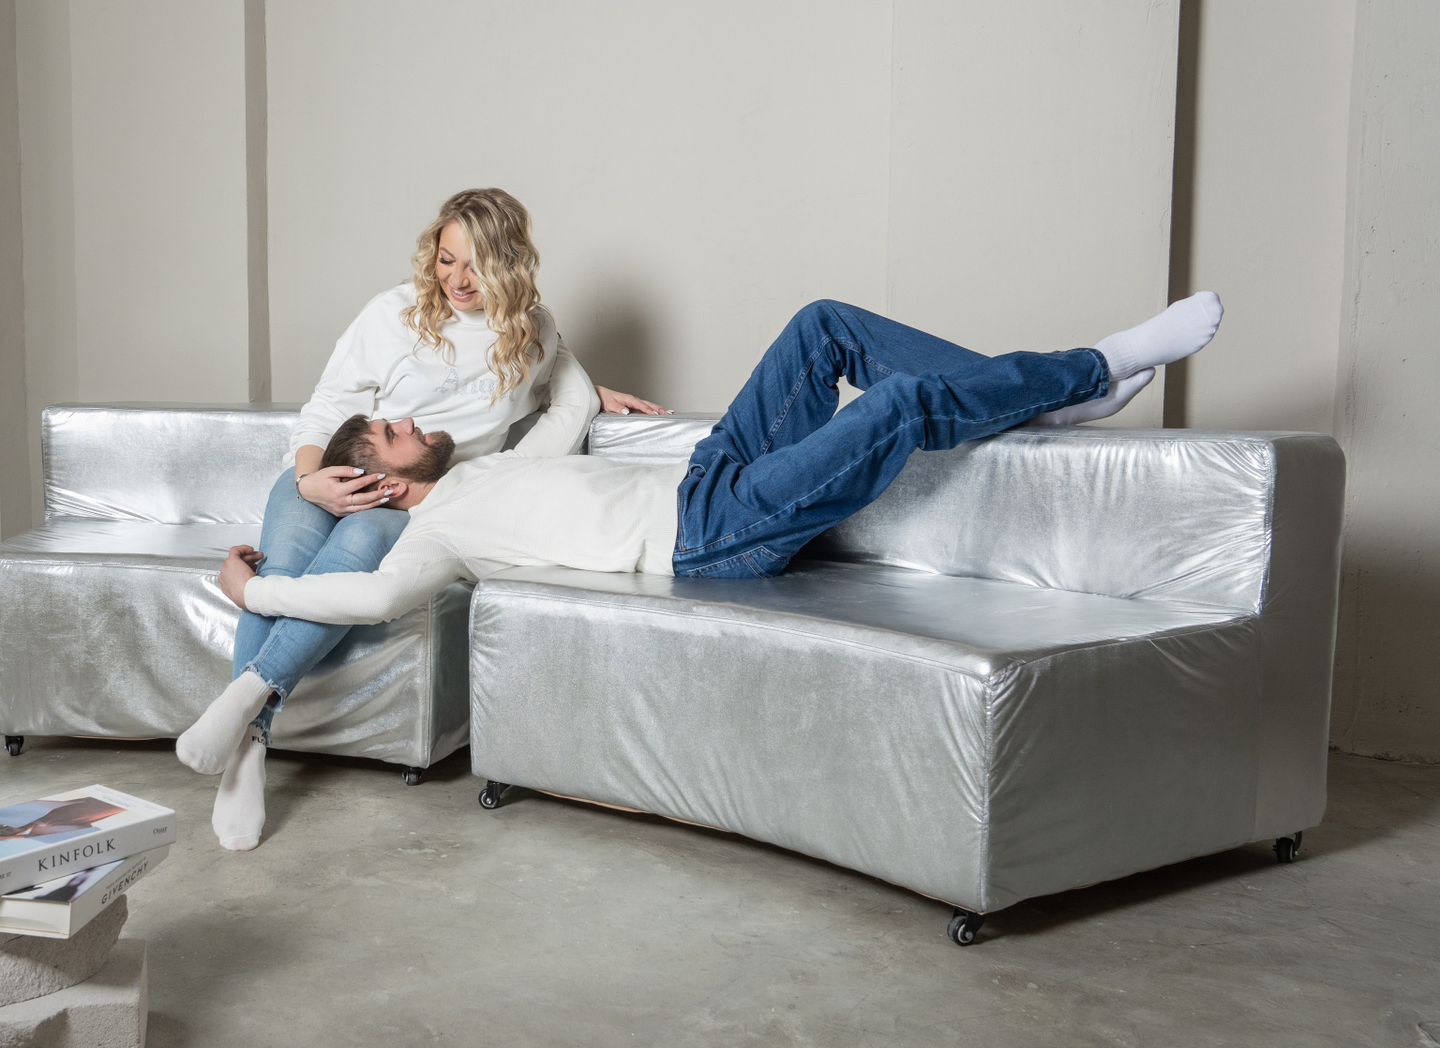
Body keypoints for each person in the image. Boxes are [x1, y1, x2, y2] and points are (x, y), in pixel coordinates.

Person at [176, 291, 1226, 839]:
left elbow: (567, 396)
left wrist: (588, 384)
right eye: (394, 431)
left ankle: (1042, 397)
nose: (412, 420)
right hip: (712, 538)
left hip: (702, 477)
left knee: (823, 326)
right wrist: (251, 589)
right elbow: (367, 596)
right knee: (900, 407)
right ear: (379, 480)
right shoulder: (434, 539)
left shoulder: (490, 466)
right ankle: (1093, 368)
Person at [205, 187, 666, 850]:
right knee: (286, 564)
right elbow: (326, 406)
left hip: (413, 497)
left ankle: (248, 718)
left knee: (358, 543)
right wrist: (310, 480)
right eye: (447, 260)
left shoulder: (533, 333)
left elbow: (559, 382)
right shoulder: (392, 313)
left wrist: (585, 393)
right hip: (328, 468)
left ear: (509, 264)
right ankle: (248, 744)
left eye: (477, 265)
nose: (457, 280)